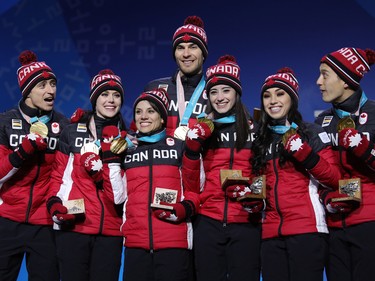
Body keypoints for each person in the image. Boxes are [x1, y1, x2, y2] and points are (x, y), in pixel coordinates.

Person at [251, 67, 342, 281]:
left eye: (280, 93)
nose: (272, 100)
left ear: (292, 98)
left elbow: (334, 178)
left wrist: (306, 155)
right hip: (270, 233)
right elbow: (259, 184)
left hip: (307, 230)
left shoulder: (311, 132)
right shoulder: (259, 140)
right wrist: (253, 200)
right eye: (266, 95)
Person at [109, 88, 205, 281]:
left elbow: (197, 187)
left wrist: (186, 207)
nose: (143, 116)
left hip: (174, 244)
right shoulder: (127, 152)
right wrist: (110, 160)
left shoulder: (179, 146)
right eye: (139, 111)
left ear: (162, 118)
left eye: (151, 111)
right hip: (136, 246)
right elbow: (117, 196)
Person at [46, 69, 127, 281]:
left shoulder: (127, 139)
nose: (111, 100)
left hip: (111, 230)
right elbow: (58, 175)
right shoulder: (72, 132)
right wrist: (54, 203)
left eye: (116, 95)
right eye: (104, 94)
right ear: (94, 98)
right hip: (75, 227)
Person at [190, 55, 262, 281]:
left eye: (225, 91)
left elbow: (263, 172)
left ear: (237, 93)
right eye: (213, 92)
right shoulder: (202, 129)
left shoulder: (255, 129)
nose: (219, 98)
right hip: (208, 221)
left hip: (245, 221)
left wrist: (256, 198)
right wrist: (191, 151)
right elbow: (191, 181)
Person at [0, 50, 68, 280]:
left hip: (45, 224)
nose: (51, 90)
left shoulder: (63, 125)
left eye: (52, 84)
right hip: (7, 221)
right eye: (42, 85)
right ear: (27, 91)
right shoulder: (5, 122)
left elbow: (64, 174)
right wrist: (21, 153)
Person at [315, 47, 375, 281]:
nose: (319, 82)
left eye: (325, 74)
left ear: (346, 80)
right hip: (335, 225)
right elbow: (317, 172)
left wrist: (365, 149)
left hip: (370, 222)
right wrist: (325, 197)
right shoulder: (322, 120)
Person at [144, 15, 208, 140]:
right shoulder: (154, 88)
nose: (186, 54)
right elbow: (139, 133)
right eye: (180, 48)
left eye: (193, 47)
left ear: (203, 53)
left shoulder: (215, 93)